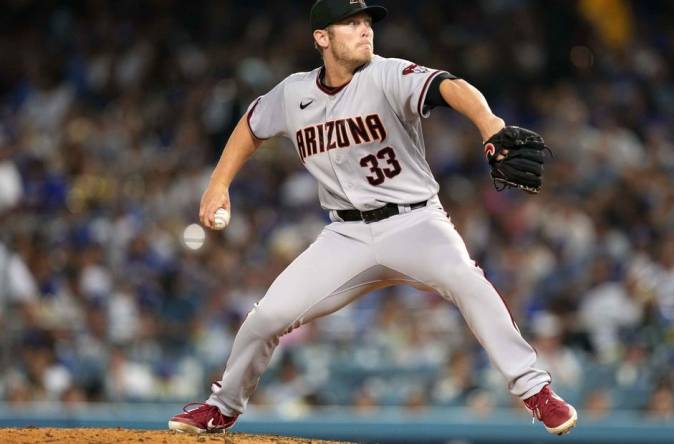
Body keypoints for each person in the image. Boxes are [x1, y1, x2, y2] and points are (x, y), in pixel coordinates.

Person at [168, 0, 577, 436]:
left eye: (367, 22)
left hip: (415, 223)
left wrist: (490, 124)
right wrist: (218, 183)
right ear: (321, 38)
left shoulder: (387, 74)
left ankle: (535, 390)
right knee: (267, 317)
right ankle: (222, 408)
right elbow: (251, 125)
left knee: (466, 280)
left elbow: (449, 86)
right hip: (345, 234)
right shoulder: (293, 93)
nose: (365, 30)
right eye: (351, 23)